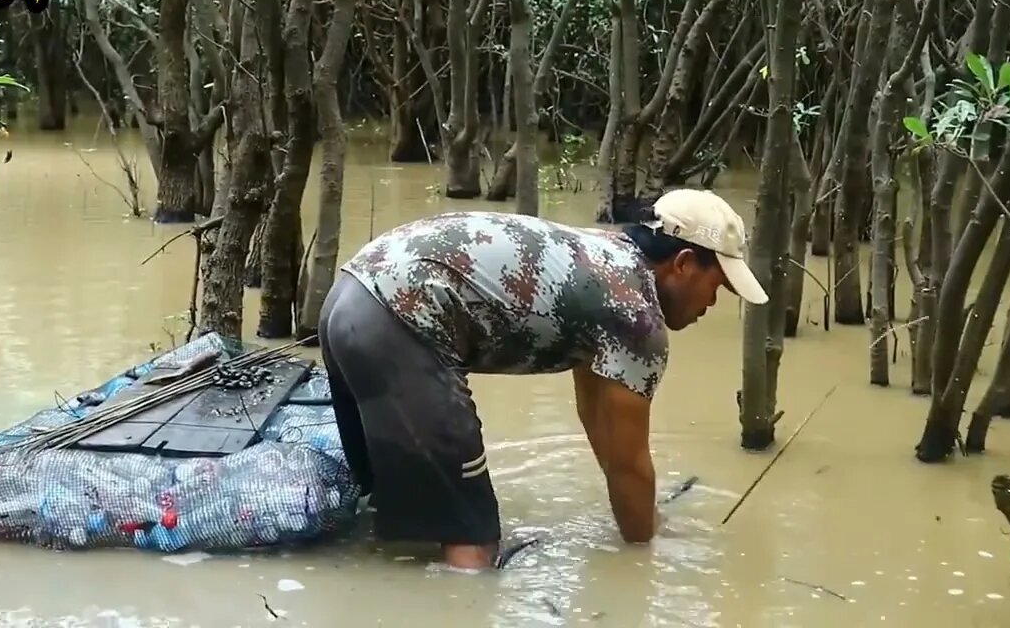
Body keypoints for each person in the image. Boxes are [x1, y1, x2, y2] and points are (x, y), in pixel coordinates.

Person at [315, 188, 769, 570]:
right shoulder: (636, 317)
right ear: (685, 264)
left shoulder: (604, 259)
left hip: (348, 298)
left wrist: (641, 516)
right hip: (393, 321)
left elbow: (601, 422)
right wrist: (646, 559)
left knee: (386, 507)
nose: (713, 303)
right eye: (718, 285)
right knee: (473, 540)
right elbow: (630, 463)